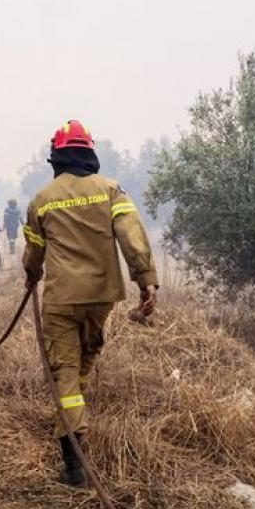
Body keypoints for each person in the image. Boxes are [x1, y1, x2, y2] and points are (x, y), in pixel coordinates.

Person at [22, 120, 158, 487]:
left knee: (65, 372)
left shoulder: (42, 199)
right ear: (90, 154)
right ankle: (76, 414)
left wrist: (31, 273)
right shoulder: (110, 190)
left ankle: (73, 464)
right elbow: (132, 236)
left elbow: (34, 252)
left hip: (61, 300)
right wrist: (145, 281)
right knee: (85, 358)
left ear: (56, 158)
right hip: (102, 298)